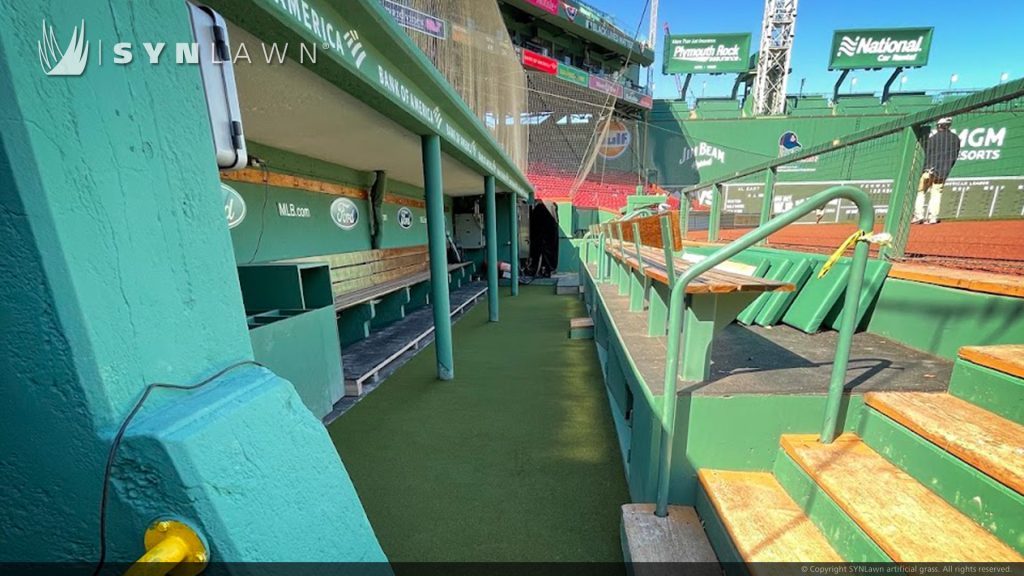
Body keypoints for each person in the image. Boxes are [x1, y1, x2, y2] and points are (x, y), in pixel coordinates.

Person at [913, 117, 961, 224]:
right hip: (943, 171)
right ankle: (933, 217)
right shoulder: (956, 139)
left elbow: (927, 154)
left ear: (939, 126)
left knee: (920, 192)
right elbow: (954, 156)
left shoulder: (932, 139)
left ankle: (918, 216)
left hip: (928, 170)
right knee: (936, 193)